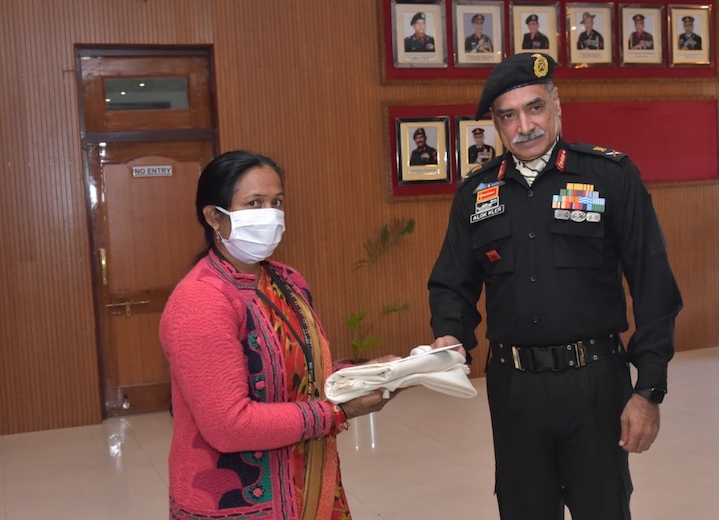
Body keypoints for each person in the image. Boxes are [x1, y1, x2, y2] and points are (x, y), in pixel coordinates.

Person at [427, 53, 682, 519]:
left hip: (595, 384)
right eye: (509, 115)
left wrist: (648, 390)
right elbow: (451, 283)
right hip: (514, 389)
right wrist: (450, 333)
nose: (525, 126)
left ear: (556, 104)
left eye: (535, 107)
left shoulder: (609, 176)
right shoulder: (476, 193)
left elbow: (654, 287)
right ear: (496, 124)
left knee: (603, 509)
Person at [160, 150, 399, 519]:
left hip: (309, 485)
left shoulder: (287, 282)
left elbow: (300, 377)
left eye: (276, 202)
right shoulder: (200, 301)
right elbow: (228, 425)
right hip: (237, 505)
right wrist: (339, 411)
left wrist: (368, 373)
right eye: (254, 203)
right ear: (213, 217)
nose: (269, 215)